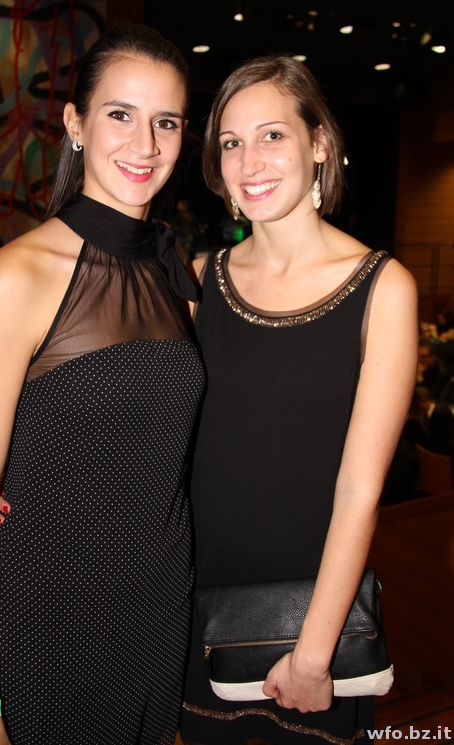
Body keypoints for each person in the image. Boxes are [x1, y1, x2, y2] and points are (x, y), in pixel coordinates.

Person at [0, 23, 205, 745]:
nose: (145, 144)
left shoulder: (174, 274)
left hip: (157, 614)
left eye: (166, 122)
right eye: (121, 114)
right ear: (76, 124)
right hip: (49, 618)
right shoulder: (17, 277)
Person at [178, 55, 418, 744]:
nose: (249, 161)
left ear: (319, 143)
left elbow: (358, 490)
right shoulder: (200, 279)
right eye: (231, 142)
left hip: (315, 627)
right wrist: (34, 479)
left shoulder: (382, 288)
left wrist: (313, 652)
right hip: (198, 611)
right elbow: (152, 434)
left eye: (272, 135)